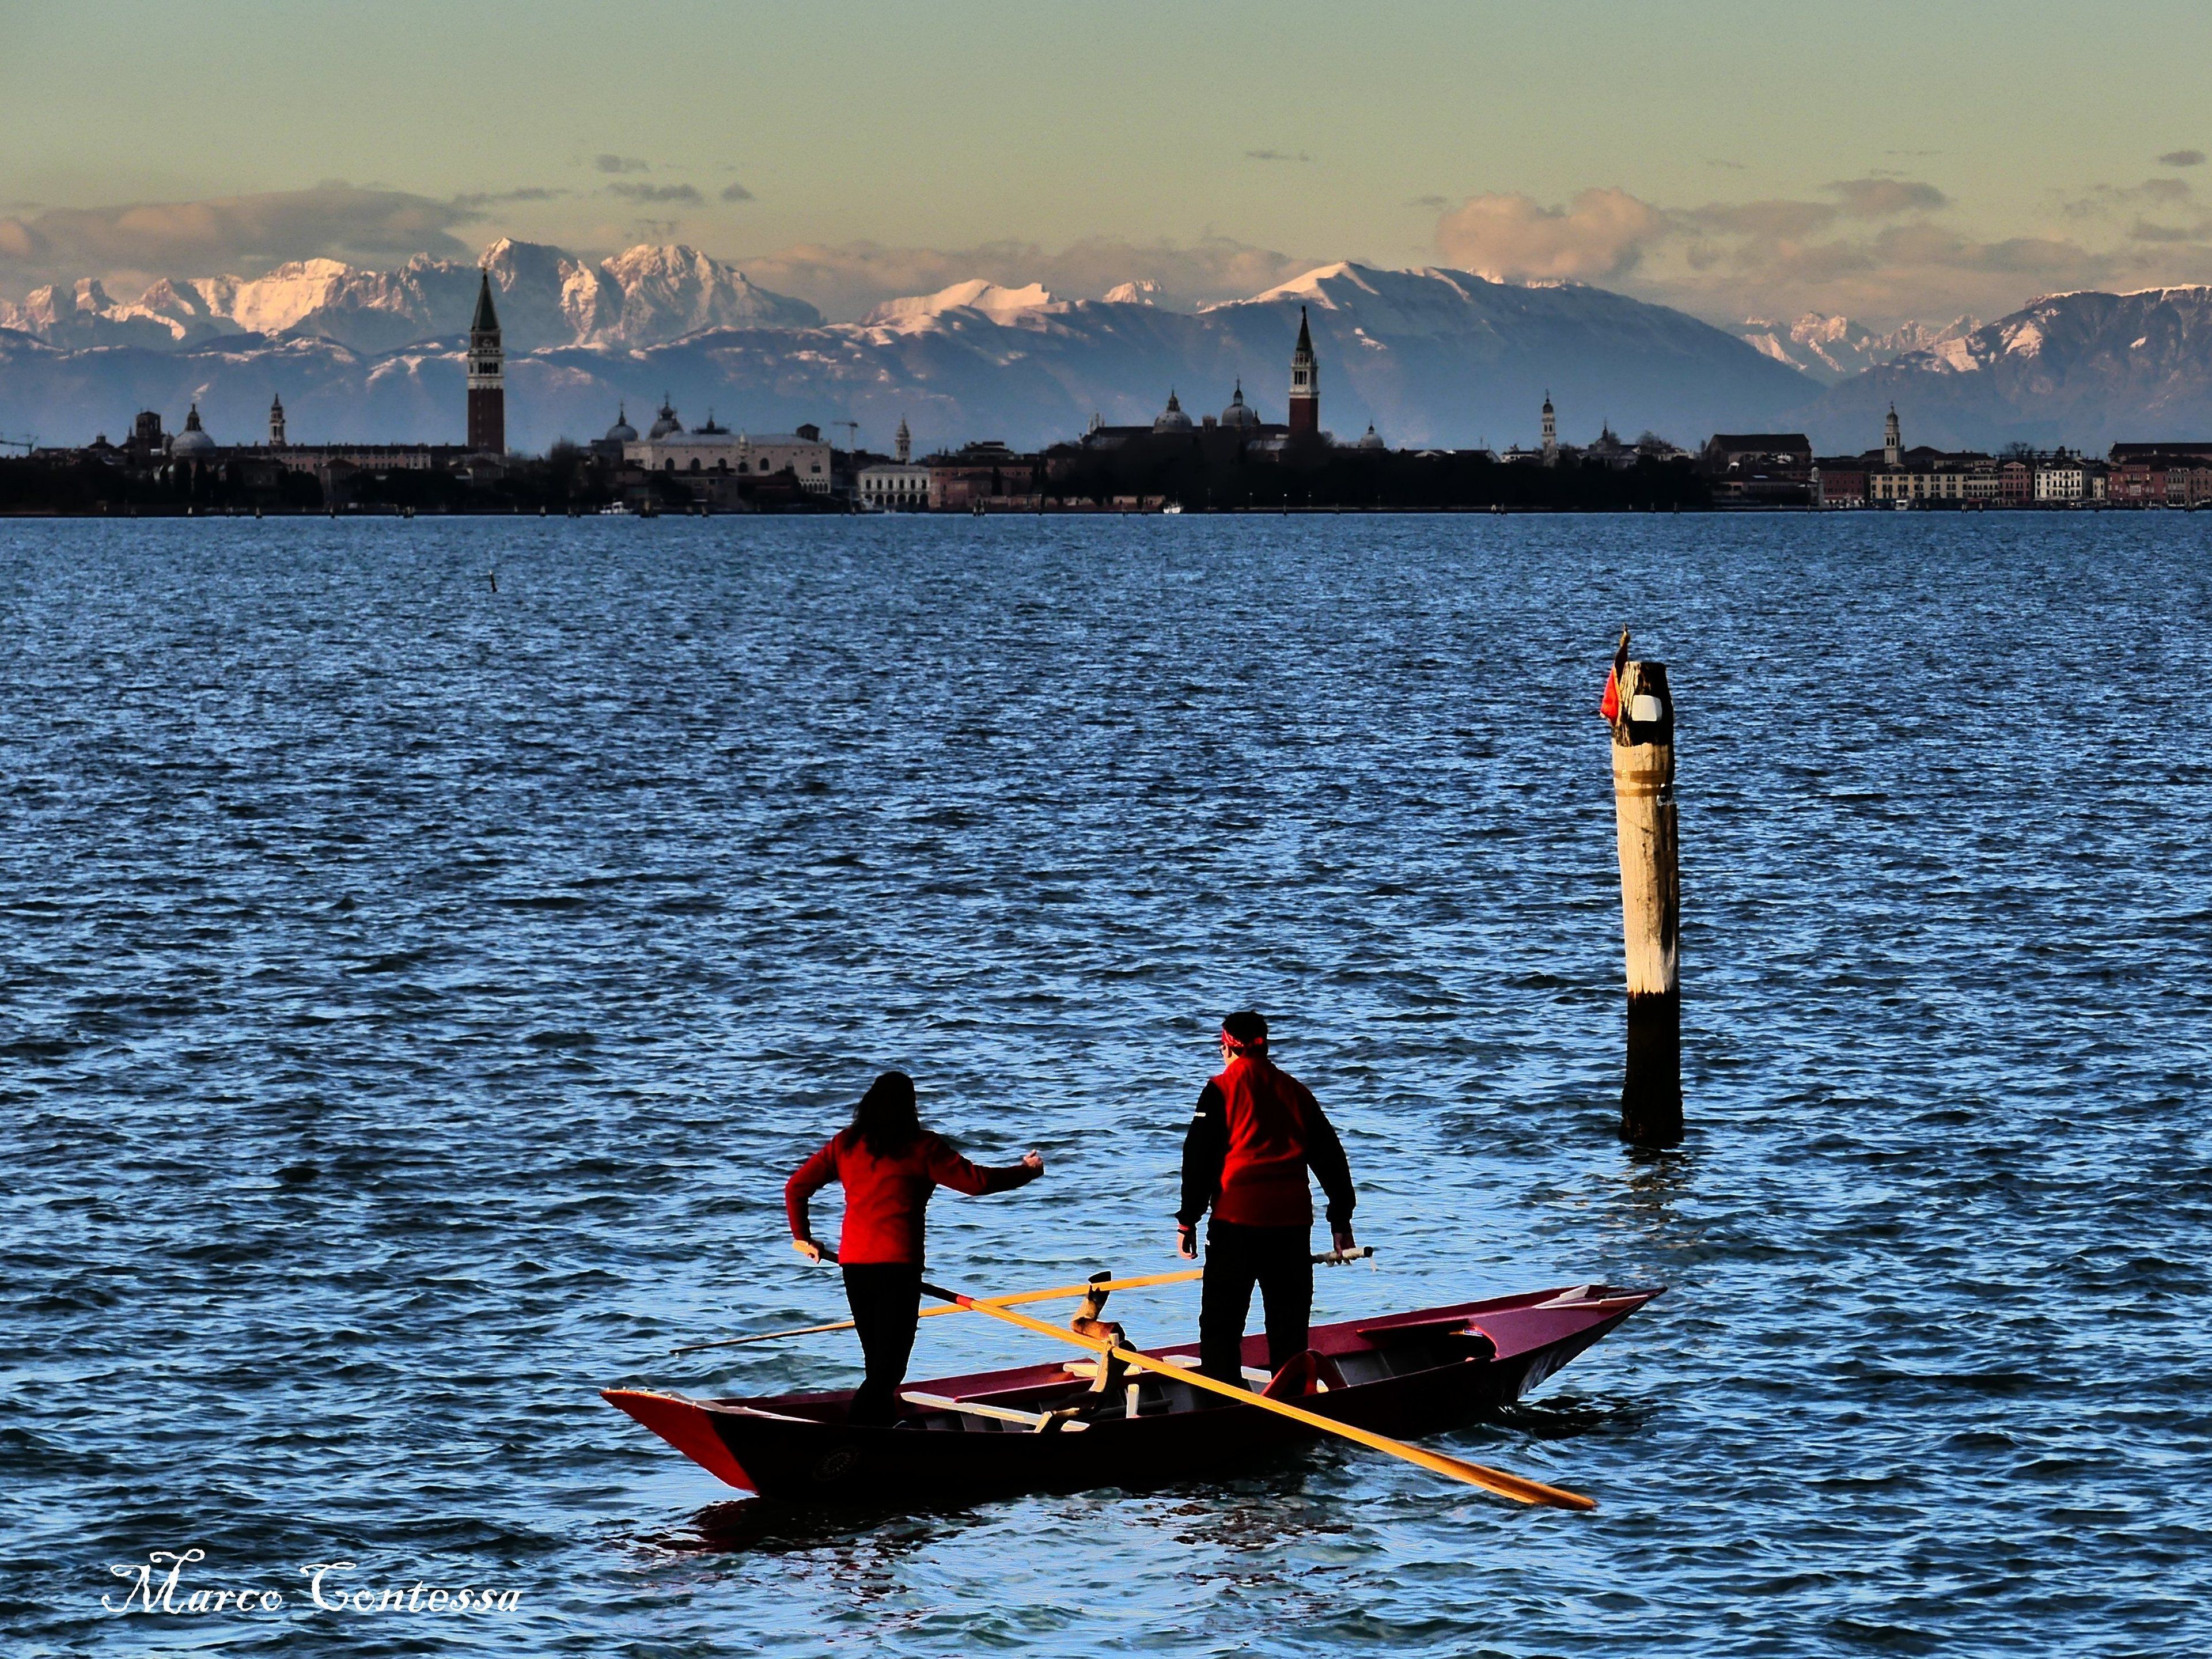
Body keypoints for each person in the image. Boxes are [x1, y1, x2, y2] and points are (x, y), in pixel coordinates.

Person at [785, 1071, 1044, 1425]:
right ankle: (853, 1438)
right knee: (889, 1369)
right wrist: (1025, 1172)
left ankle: (880, 1428)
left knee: (878, 1363)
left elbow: (796, 1187)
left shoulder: (846, 1143)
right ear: (911, 1107)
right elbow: (977, 1184)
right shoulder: (923, 1147)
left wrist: (804, 1237)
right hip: (897, 1268)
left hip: (855, 1266)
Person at [1176, 1012, 1357, 1389]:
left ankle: (1222, 1411)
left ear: (1226, 1047)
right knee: (1289, 1333)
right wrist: (1340, 1222)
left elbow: (1198, 1161)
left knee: (1221, 1330)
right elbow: (1332, 1160)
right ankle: (1292, 1410)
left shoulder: (1219, 1090)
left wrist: (1187, 1221)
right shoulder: (1296, 1091)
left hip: (1235, 1226)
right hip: (1290, 1230)